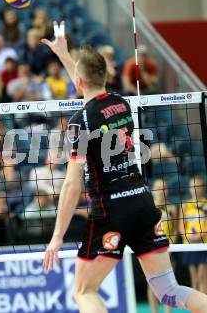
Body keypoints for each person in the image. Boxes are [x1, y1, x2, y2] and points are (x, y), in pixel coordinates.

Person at [42, 20, 207, 313]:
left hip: (110, 210)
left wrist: (56, 237)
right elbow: (89, 88)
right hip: (142, 201)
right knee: (169, 292)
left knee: (84, 290)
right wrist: (65, 55)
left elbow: (71, 183)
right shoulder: (121, 104)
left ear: (77, 82)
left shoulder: (80, 122)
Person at [148, 179, 178, 313]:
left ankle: (167, 312)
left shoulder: (171, 208)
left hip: (168, 250)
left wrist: (170, 247)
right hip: (151, 251)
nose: (162, 190)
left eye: (164, 188)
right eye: (159, 188)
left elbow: (175, 230)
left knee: (169, 284)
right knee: (152, 284)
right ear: (153, 190)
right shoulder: (147, 208)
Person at [179, 176, 207, 294]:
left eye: (198, 186)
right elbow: (181, 226)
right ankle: (196, 308)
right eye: (192, 186)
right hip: (189, 245)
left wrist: (200, 235)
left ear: (203, 188)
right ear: (190, 188)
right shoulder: (185, 205)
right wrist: (187, 237)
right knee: (194, 279)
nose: (195, 189)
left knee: (203, 278)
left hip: (203, 244)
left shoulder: (206, 204)